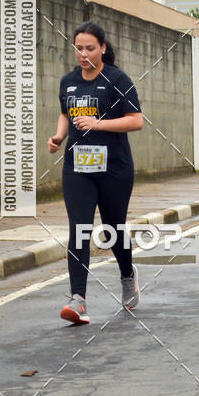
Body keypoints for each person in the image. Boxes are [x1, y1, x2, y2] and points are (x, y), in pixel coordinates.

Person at [48, 21, 143, 325]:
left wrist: (98, 123)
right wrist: (59, 136)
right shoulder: (68, 81)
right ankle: (78, 300)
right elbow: (66, 112)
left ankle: (127, 274)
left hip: (114, 168)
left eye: (90, 48)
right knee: (80, 228)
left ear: (102, 48)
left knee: (113, 229)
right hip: (77, 167)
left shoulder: (117, 79)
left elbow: (136, 120)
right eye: (79, 48)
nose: (84, 54)